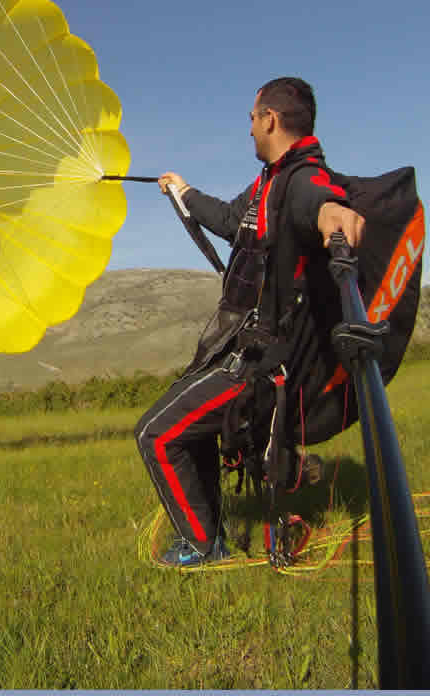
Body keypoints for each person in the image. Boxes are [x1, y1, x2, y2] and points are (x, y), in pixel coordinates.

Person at [134, 78, 365, 567]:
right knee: (183, 427)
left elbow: (320, 201)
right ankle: (208, 533)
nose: (250, 130)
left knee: (156, 433)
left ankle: (203, 546)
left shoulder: (302, 180)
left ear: (270, 120)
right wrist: (183, 191)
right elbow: (228, 219)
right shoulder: (267, 184)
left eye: (252, 119)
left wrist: (333, 216)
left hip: (261, 365)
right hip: (240, 346)